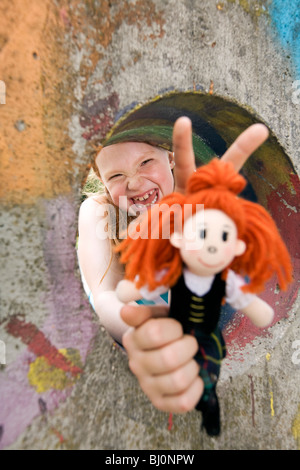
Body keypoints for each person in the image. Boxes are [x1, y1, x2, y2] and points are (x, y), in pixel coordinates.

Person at [77, 116, 269, 414]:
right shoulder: (99, 211)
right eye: (115, 176)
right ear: (102, 183)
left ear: (169, 157)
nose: (134, 183)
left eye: (144, 162)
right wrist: (141, 336)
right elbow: (104, 297)